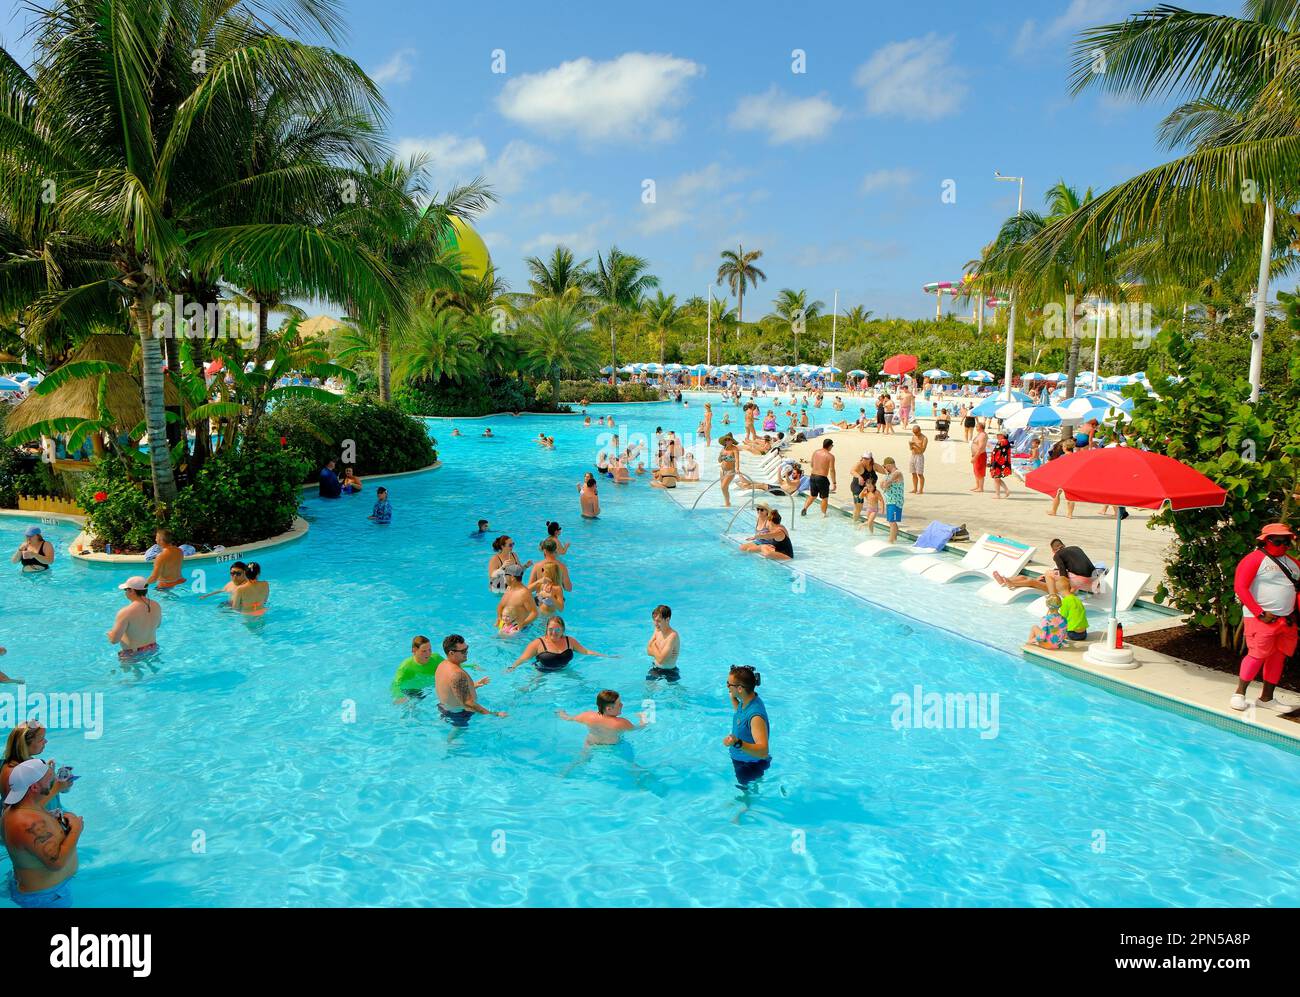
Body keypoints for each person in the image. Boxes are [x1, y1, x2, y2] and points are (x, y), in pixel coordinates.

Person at [1231, 523, 1300, 713]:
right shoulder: (1253, 559)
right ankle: (1239, 693)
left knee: (1278, 657)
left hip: (1285, 620)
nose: (1284, 545)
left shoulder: (1293, 562)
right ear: (1266, 540)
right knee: (1256, 655)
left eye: (1287, 541)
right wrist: (1259, 613)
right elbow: (1241, 587)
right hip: (1261, 619)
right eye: (1279, 541)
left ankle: (1267, 698)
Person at [3, 758, 81, 908]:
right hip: (47, 897)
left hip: (38, 888)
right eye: (49, 779)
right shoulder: (28, 823)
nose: (54, 781)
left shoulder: (15, 810)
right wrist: (76, 828)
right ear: (34, 787)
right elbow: (56, 863)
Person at [436, 634, 505, 724]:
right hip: (460, 715)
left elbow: (451, 688)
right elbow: (468, 703)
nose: (467, 652)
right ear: (451, 653)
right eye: (463, 651)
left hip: (445, 708)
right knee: (455, 737)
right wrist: (494, 714)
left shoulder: (442, 665)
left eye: (467, 648)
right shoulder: (457, 674)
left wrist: (473, 685)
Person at [1, 723, 73, 808]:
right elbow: (26, 810)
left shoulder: (20, 762)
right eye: (41, 739)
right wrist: (57, 787)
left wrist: (47, 775)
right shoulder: (15, 774)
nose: (46, 741)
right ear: (25, 744)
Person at [507, 616, 612, 672]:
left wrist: (606, 656)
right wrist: (512, 667)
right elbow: (523, 658)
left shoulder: (569, 641)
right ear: (546, 629)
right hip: (542, 671)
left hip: (564, 670)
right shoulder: (538, 643)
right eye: (551, 629)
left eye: (557, 629)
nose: (554, 632)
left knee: (582, 684)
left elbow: (585, 651)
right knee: (529, 688)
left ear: (563, 630)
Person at [724, 665, 770, 787]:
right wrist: (732, 693)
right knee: (752, 789)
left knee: (745, 797)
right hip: (744, 761)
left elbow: (764, 751)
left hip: (749, 765)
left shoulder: (755, 717)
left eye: (729, 684)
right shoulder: (747, 700)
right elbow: (741, 715)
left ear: (740, 688)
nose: (727, 686)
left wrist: (737, 742)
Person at [557, 689, 645, 745]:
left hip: (591, 743)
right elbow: (639, 728)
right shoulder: (621, 723)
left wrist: (561, 713)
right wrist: (642, 718)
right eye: (619, 704)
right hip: (612, 746)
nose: (622, 705)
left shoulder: (587, 716)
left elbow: (569, 718)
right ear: (609, 709)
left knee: (580, 761)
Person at [106, 576, 160, 658]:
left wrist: (109, 633)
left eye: (125, 590)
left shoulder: (125, 612)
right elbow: (158, 625)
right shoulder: (156, 605)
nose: (125, 592)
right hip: (152, 648)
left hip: (132, 654)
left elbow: (114, 640)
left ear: (131, 591)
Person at [390, 634, 440, 703]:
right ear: (414, 650)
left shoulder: (436, 659)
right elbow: (396, 685)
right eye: (424, 651)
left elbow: (450, 667)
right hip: (411, 691)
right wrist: (399, 696)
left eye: (429, 650)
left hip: (430, 689)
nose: (428, 653)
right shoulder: (405, 667)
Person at [496, 564, 538, 635]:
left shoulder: (524, 593)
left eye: (506, 575)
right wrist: (500, 620)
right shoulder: (509, 589)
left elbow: (534, 613)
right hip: (505, 626)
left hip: (520, 630)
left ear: (512, 577)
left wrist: (522, 624)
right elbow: (500, 606)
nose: (504, 577)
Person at [801, 438, 836, 517]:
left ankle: (805, 508)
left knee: (813, 495)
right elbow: (832, 470)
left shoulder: (816, 452)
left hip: (812, 476)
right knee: (824, 498)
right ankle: (823, 514)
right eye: (832, 446)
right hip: (822, 478)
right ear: (830, 446)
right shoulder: (830, 456)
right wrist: (834, 482)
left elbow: (812, 465)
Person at [646, 604, 680, 682]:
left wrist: (654, 646)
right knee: (648, 692)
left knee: (672, 694)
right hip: (655, 668)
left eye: (658, 621)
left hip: (670, 672)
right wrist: (658, 653)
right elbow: (648, 651)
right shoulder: (657, 630)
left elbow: (661, 659)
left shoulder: (672, 636)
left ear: (667, 619)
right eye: (654, 620)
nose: (655, 623)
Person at [1047, 437, 1077, 518]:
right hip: (1072, 477)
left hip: (1063, 478)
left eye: (1063, 446)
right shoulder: (1076, 456)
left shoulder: (1063, 457)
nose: (1062, 448)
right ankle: (1070, 514)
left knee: (1057, 494)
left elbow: (1059, 468)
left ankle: (1054, 511)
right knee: (1071, 497)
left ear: (1065, 447)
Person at [718, 433, 740, 507]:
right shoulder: (723, 449)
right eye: (726, 440)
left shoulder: (735, 449)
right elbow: (719, 461)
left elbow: (737, 459)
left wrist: (737, 468)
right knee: (724, 488)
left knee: (723, 487)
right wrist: (721, 456)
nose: (727, 441)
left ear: (732, 441)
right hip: (722, 470)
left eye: (729, 439)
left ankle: (727, 503)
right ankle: (727, 503)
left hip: (730, 470)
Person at [990, 432, 1013, 498]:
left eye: (998, 435)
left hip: (999, 462)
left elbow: (997, 452)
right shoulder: (1005, 441)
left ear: (1002, 435)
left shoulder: (1003, 441)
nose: (997, 436)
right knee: (997, 478)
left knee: (996, 478)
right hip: (1000, 462)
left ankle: (998, 494)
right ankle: (1006, 490)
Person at [908, 425, 928, 494]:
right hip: (913, 455)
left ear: (920, 431)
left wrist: (916, 445)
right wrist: (910, 445)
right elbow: (911, 449)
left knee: (920, 474)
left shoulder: (924, 438)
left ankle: (921, 490)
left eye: (916, 432)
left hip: (919, 456)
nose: (915, 434)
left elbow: (922, 450)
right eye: (914, 432)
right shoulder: (914, 436)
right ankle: (915, 489)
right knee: (913, 473)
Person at [969, 421, 988, 492]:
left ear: (980, 427)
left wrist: (975, 457)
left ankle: (981, 488)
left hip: (980, 455)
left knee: (980, 471)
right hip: (977, 454)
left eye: (977, 426)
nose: (976, 427)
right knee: (976, 471)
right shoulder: (979, 434)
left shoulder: (982, 435)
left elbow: (981, 448)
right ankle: (977, 486)